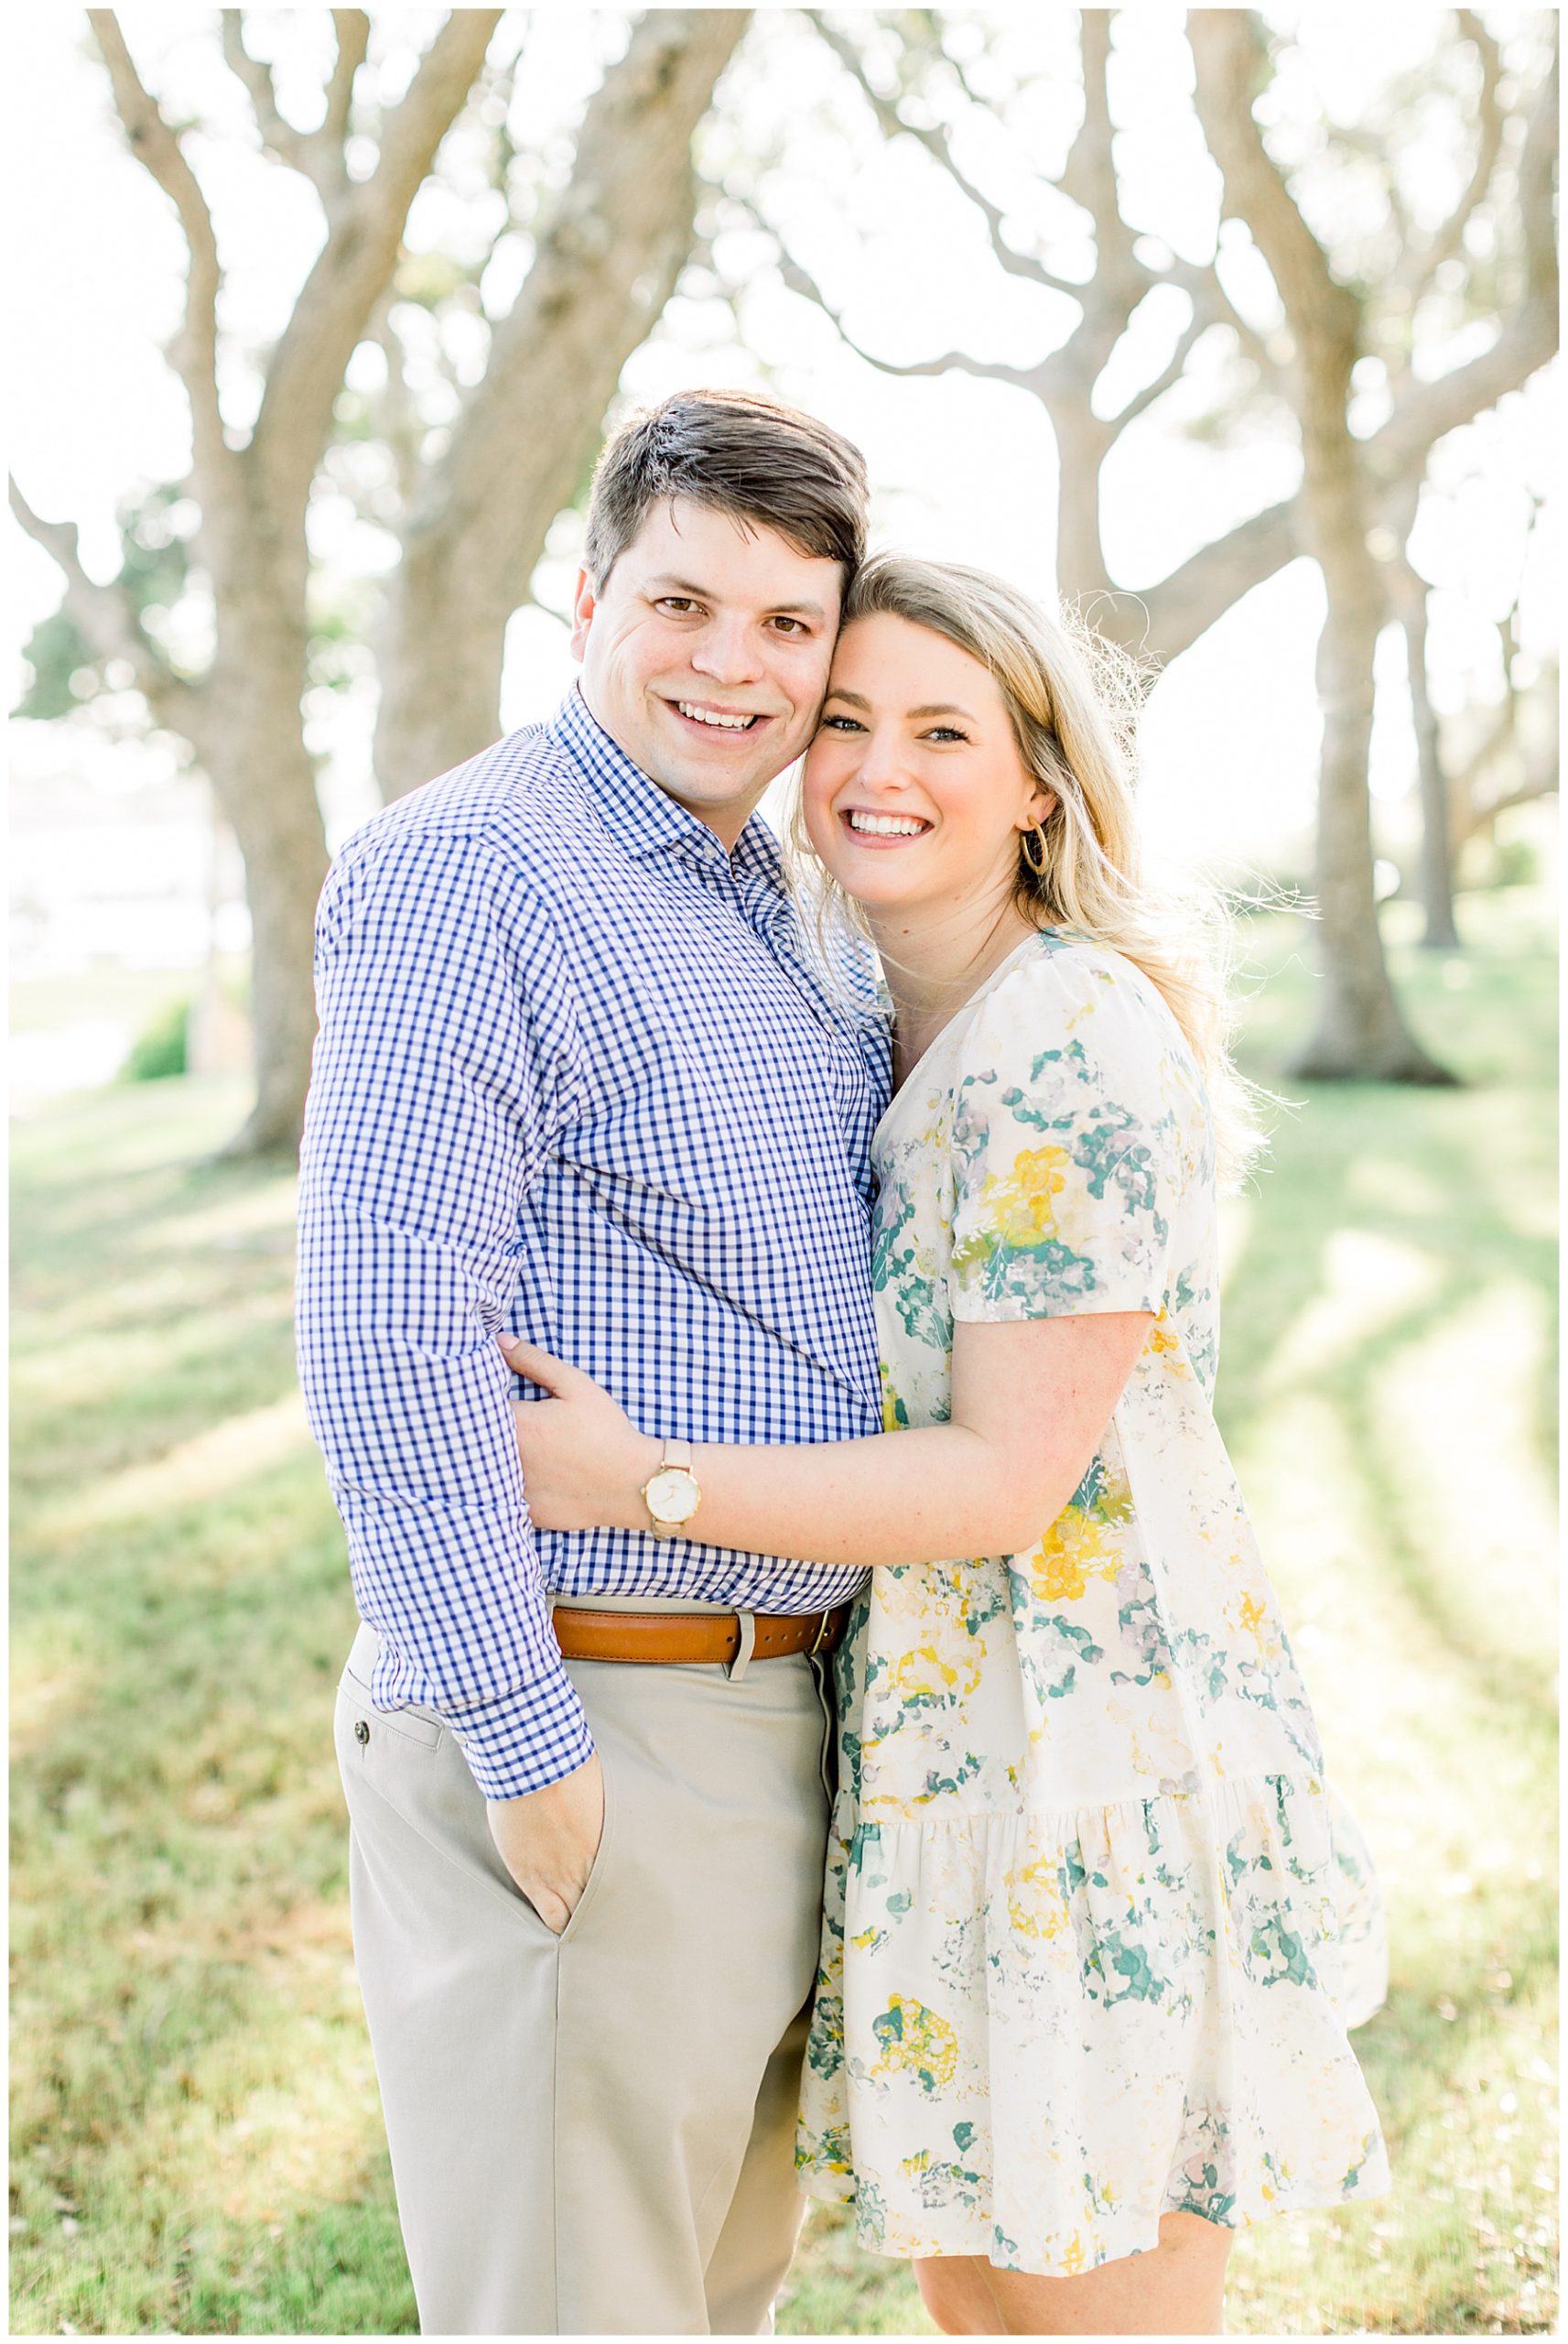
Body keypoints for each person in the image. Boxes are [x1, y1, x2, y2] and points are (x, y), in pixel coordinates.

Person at [503, 554, 1391, 2338]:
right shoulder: (868, 1009)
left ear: (1039, 778)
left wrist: (640, 1478)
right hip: (938, 1737)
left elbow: (1001, 1479)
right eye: (843, 721)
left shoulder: (1063, 1037)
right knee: (984, 2310)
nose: (874, 768)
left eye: (939, 729)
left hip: (1087, 1748)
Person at [296, 388, 891, 2336]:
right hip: (586, 1710)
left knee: (708, 2300)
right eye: (683, 603)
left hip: (764, 1720)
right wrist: (525, 1750)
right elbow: (388, 1330)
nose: (733, 663)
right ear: (587, 598)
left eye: (787, 624)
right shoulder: (477, 869)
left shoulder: (776, 901)